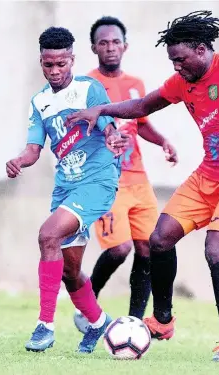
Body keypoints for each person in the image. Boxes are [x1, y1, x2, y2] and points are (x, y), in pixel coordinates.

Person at [65, 10, 219, 362]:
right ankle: (163, 320)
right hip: (208, 176)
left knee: (215, 249)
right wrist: (102, 110)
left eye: (180, 59)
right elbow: (141, 105)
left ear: (201, 50)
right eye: (172, 61)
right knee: (159, 238)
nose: (176, 67)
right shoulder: (182, 83)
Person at [5, 26, 128, 353]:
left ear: (73, 59)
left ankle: (45, 326)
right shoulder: (40, 102)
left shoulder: (90, 89)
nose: (56, 71)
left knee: (48, 236)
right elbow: (34, 148)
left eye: (62, 64)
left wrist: (114, 137)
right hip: (66, 187)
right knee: (70, 272)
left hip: (97, 180)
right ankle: (100, 324)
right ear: (41, 63)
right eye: (49, 65)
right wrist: (19, 160)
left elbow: (109, 124)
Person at [73, 16, 178, 333]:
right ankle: (86, 302)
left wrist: (163, 142)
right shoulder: (85, 85)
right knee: (119, 249)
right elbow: (78, 128)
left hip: (139, 180)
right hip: (105, 180)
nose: (110, 48)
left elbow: (141, 122)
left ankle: (133, 323)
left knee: (148, 249)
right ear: (94, 48)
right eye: (103, 43)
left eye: (115, 42)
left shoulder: (135, 84)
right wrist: (104, 138)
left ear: (125, 45)